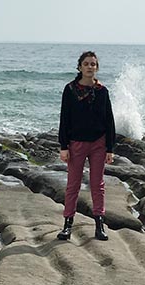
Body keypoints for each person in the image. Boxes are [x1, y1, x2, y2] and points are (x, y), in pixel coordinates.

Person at [57, 51, 116, 242]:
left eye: (93, 64)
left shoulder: (102, 91)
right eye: (87, 64)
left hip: (99, 143)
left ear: (97, 67)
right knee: (73, 184)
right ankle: (67, 225)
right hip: (76, 144)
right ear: (80, 67)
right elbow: (64, 118)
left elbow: (109, 120)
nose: (90, 67)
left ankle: (99, 225)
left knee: (97, 185)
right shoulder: (70, 90)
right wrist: (63, 146)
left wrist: (110, 148)